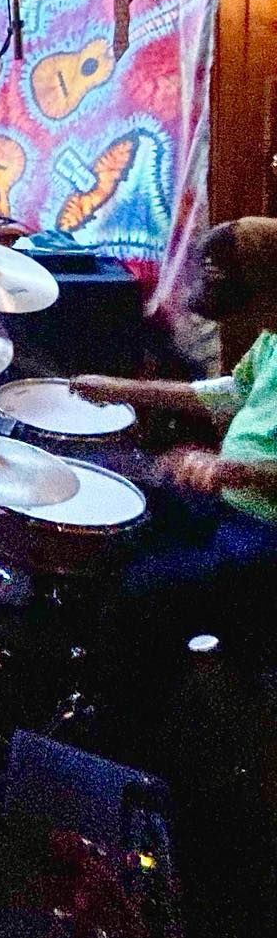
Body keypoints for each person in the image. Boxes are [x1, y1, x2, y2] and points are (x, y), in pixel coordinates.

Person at [73, 218, 277, 663]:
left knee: (143, 594)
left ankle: (142, 697)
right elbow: (231, 392)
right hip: (229, 503)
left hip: (265, 529)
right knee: (114, 540)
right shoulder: (271, 337)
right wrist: (121, 389)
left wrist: (231, 470)